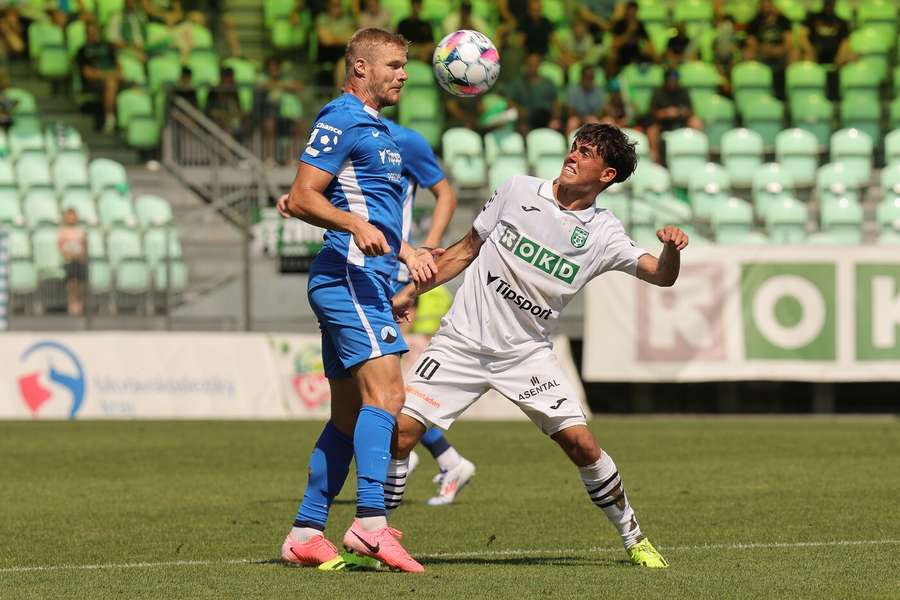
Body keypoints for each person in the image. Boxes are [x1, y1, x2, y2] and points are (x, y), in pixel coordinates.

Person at [388, 123, 686, 569]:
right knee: (400, 436)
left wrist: (672, 250)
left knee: (583, 447)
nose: (573, 156)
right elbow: (466, 250)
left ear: (606, 176)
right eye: (575, 147)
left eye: (586, 154)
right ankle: (373, 538)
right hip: (460, 344)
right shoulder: (516, 190)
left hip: (526, 355)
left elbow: (661, 276)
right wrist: (415, 288)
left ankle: (634, 536)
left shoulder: (603, 233)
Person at [275, 28, 437, 574]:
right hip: (346, 276)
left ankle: (305, 531)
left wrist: (406, 253)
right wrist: (350, 223)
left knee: (347, 416)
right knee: (387, 398)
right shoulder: (341, 118)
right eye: (393, 64)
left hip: (367, 279)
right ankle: (371, 526)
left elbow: (368, 208)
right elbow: (302, 195)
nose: (404, 73)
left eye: (404, 65)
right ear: (360, 68)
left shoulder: (380, 131)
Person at [382, 117, 477, 507]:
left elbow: (446, 194)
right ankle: (444, 459)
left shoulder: (404, 140)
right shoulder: (343, 130)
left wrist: (427, 250)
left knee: (378, 386)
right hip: (356, 270)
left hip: (389, 273)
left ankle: (419, 455)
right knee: (369, 388)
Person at [646, 68, 702, 163]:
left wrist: (678, 112)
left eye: (675, 80)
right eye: (670, 80)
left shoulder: (683, 91)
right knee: (652, 130)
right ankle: (655, 159)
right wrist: (665, 113)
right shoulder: (658, 92)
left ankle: (697, 151)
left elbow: (690, 111)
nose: (673, 82)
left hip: (681, 121)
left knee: (696, 122)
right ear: (665, 80)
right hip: (663, 123)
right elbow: (652, 113)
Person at [75, 21, 122, 133]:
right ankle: (110, 120)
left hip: (113, 79)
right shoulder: (82, 50)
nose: (93, 35)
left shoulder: (108, 47)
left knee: (136, 88)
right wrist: (107, 75)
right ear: (86, 34)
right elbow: (88, 74)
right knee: (110, 84)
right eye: (90, 32)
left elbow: (120, 71)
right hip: (94, 83)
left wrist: (108, 74)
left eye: (94, 32)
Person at [744, 0, 793, 99]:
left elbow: (789, 42)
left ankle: (788, 92)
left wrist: (778, 51)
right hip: (761, 54)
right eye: (763, 3)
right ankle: (753, 91)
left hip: (780, 54)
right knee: (747, 53)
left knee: (794, 53)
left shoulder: (783, 21)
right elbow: (751, 43)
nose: (766, 6)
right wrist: (765, 50)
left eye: (768, 3)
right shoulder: (754, 22)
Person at [501, 52, 561, 132]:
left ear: (539, 65)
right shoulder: (518, 84)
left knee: (556, 126)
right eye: (530, 65)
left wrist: (555, 118)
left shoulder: (548, 83)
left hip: (547, 119)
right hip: (526, 121)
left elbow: (556, 102)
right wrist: (521, 111)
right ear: (525, 66)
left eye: (535, 64)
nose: (532, 67)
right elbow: (510, 103)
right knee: (522, 128)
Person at [608, 1, 654, 75]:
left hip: (636, 54)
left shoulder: (640, 25)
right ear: (626, 11)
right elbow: (615, 44)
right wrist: (629, 32)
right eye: (630, 12)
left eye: (634, 12)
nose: (631, 14)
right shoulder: (620, 24)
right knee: (611, 58)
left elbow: (648, 42)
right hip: (621, 53)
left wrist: (646, 48)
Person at [58, 208, 87, 316]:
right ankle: (72, 303)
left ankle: (80, 303)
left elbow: (84, 247)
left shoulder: (81, 231)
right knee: (72, 280)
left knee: (81, 278)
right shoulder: (62, 231)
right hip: (67, 261)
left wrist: (79, 255)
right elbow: (61, 248)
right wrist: (70, 254)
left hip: (79, 260)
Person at [565, 64, 605, 135]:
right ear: (581, 77)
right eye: (587, 77)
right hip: (578, 118)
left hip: (594, 118)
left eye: (591, 77)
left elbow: (602, 110)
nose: (589, 80)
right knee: (572, 122)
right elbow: (570, 111)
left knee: (606, 121)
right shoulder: (572, 90)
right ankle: (570, 144)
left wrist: (593, 117)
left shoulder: (599, 90)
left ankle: (602, 145)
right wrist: (584, 119)